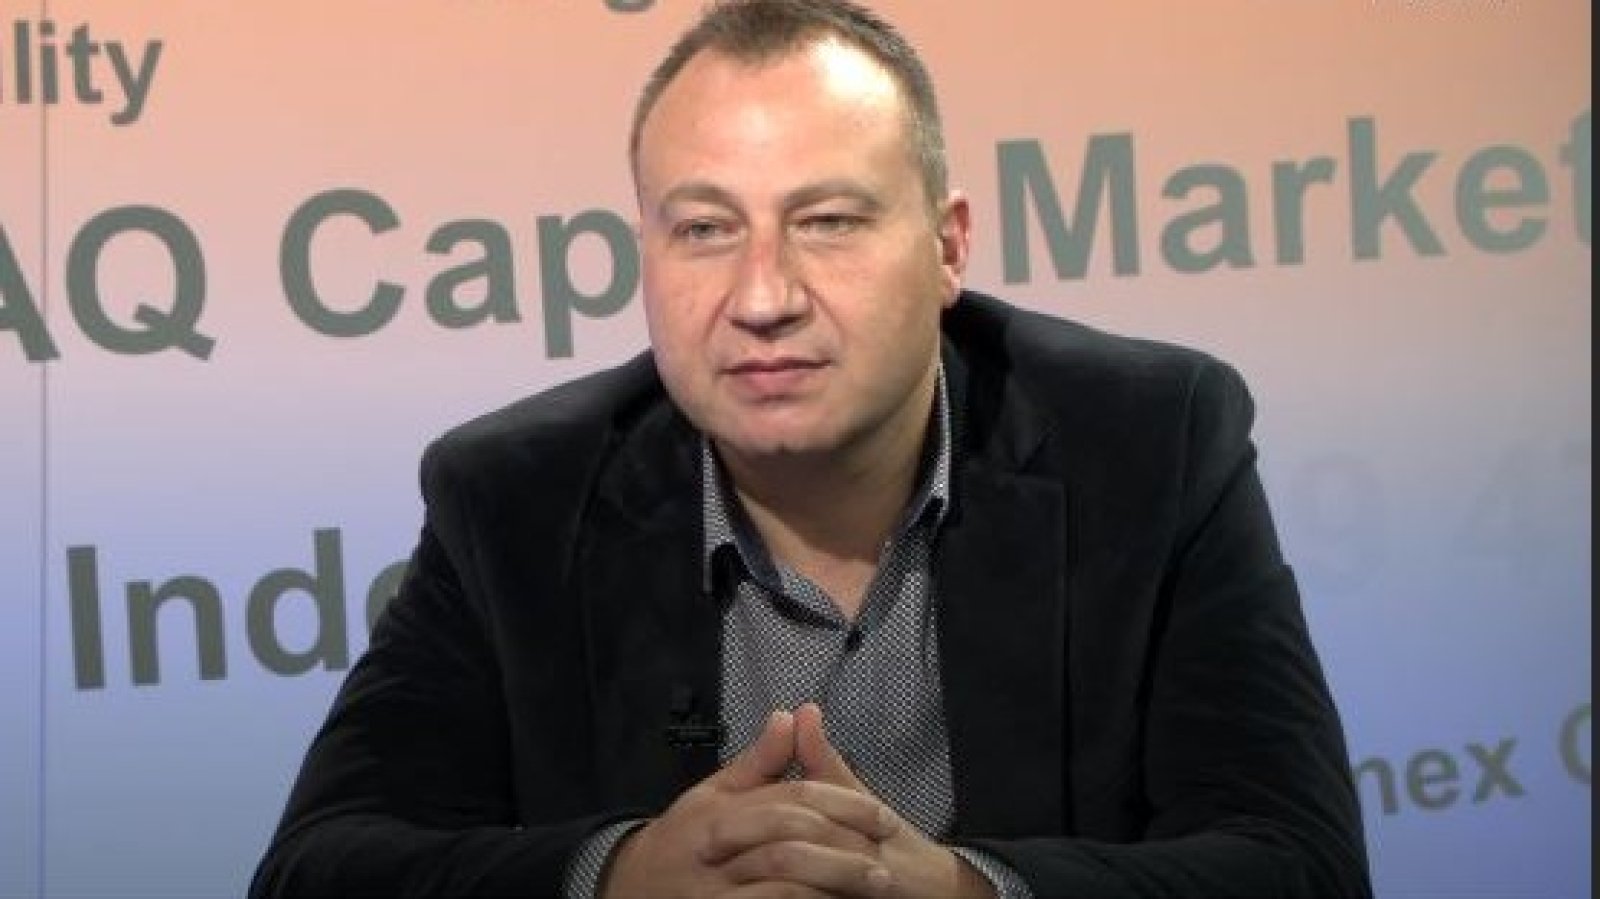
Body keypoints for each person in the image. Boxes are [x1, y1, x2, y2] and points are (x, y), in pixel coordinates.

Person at [249, 1, 1372, 896]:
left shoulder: (1151, 439)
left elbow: (1297, 861)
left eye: (827, 220)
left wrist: (968, 891)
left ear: (947, 246)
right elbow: (317, 867)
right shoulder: (513, 495)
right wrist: (619, 876)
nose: (763, 297)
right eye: (704, 228)